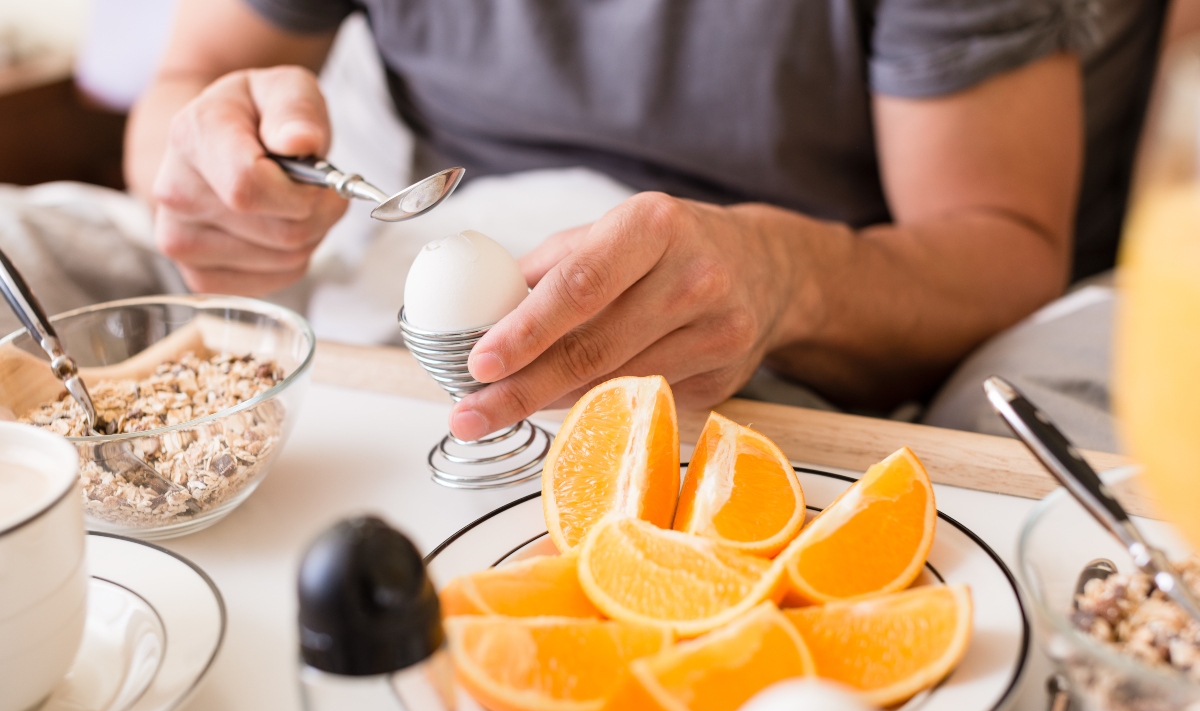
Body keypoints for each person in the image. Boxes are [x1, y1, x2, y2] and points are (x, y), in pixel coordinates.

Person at [123, 0, 1167, 449]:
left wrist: (779, 274)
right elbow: (185, 83)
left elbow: (1002, 244)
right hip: (424, 296)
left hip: (796, 336)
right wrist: (213, 175)